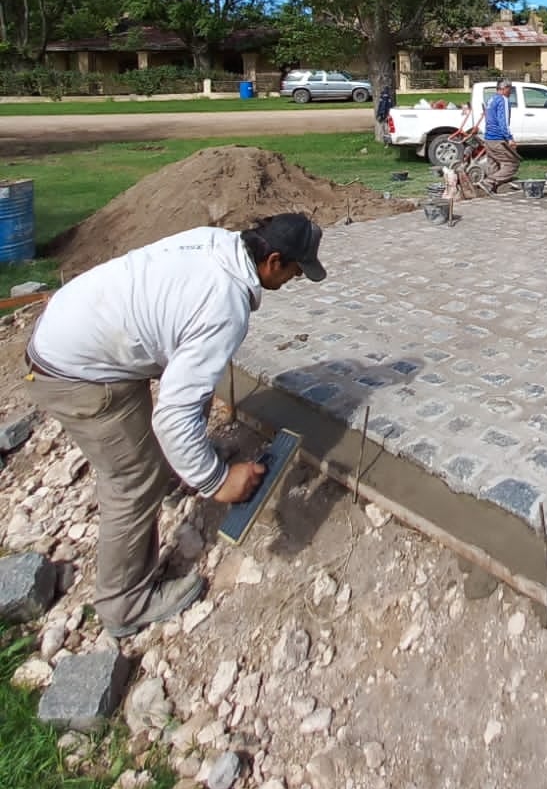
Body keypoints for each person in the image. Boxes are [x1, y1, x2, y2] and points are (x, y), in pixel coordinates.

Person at [24, 215, 326, 637]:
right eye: (296, 270)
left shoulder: (217, 242)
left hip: (85, 333)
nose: (295, 278)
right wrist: (217, 480)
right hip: (75, 373)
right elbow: (173, 414)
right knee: (133, 479)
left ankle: (177, 469)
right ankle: (124, 604)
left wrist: (192, 458)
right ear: (273, 260)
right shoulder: (225, 306)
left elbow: (183, 384)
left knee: (191, 392)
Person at [481, 79, 521, 193]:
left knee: (493, 163)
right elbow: (503, 122)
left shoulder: (491, 99)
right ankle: (488, 182)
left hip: (488, 138)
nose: (511, 92)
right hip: (497, 138)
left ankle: (492, 189)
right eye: (510, 89)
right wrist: (509, 138)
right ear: (505, 88)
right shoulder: (503, 100)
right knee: (512, 164)